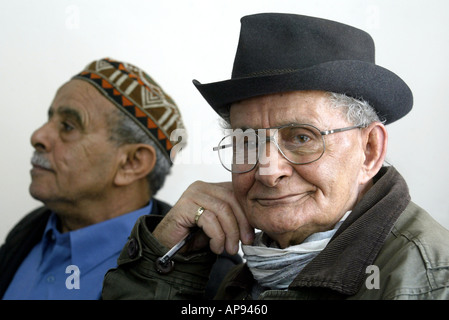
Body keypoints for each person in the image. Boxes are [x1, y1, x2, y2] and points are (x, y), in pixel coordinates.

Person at [101, 14, 449, 300]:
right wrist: (167, 259)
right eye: (248, 142)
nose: (268, 172)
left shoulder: (425, 280)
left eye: (301, 137)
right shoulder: (252, 270)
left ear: (370, 151)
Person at [0, 58, 240, 300]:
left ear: (132, 162)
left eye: (68, 126)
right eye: (49, 119)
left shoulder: (207, 275)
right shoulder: (31, 230)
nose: (38, 136)